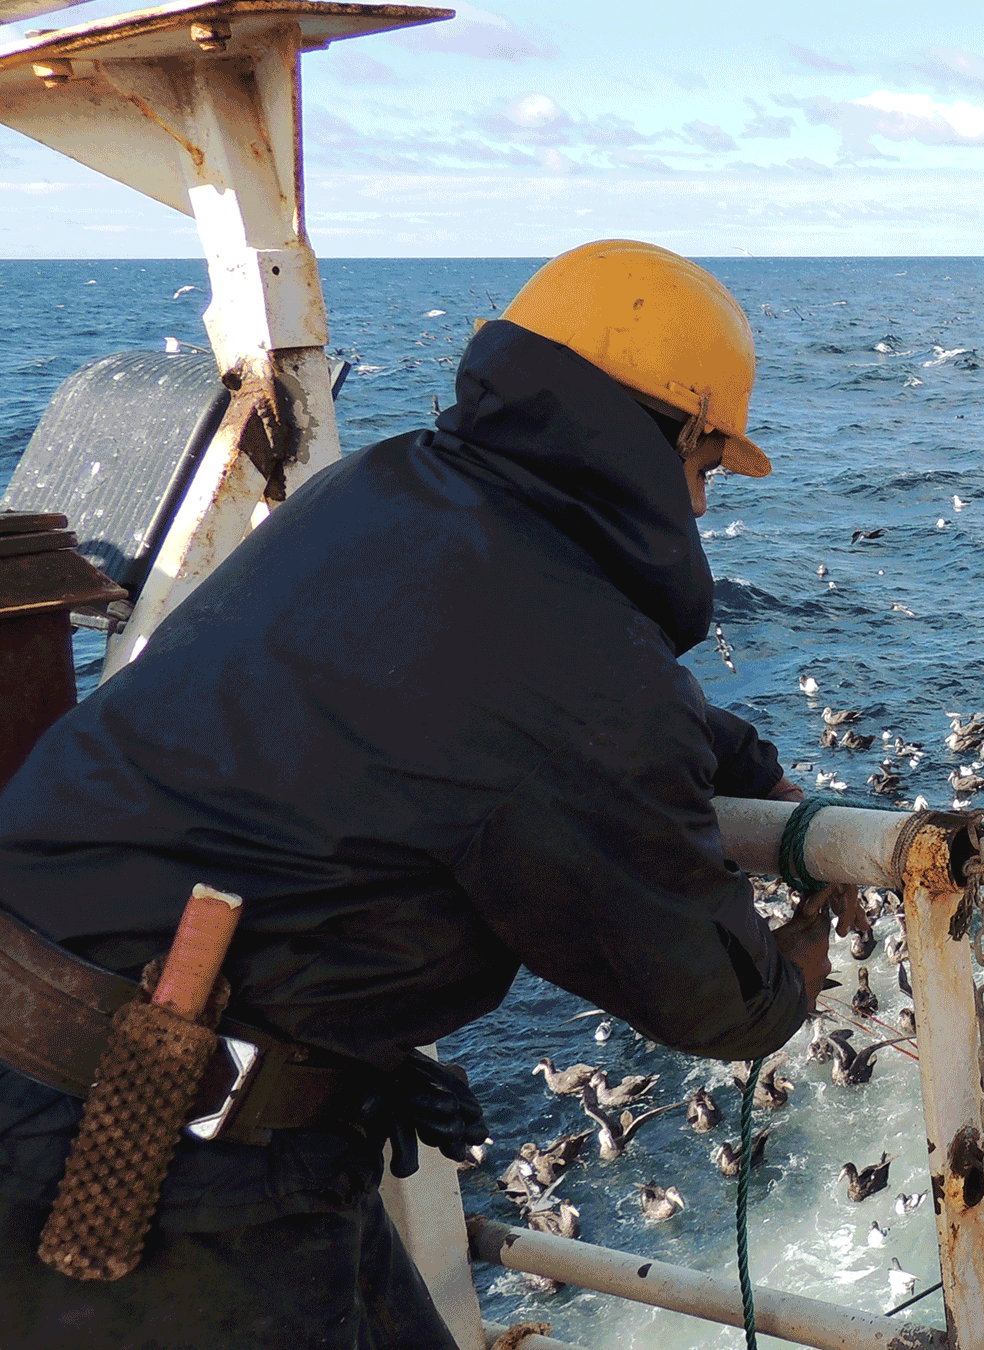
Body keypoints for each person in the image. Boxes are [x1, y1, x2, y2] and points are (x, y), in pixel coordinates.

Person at [0, 240, 839, 1347]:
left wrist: (746, 768)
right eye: (709, 468)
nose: (700, 500)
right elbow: (713, 1000)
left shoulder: (382, 488)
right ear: (682, 435)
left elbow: (533, 698)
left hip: (110, 1067)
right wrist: (808, 947)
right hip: (146, 1163)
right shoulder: (569, 661)